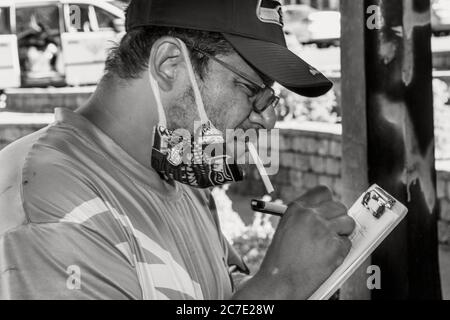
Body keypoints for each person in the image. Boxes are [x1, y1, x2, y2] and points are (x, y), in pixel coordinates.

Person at [0, 0, 355, 300]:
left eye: (271, 98)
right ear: (170, 64)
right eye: (252, 91)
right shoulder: (50, 205)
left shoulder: (177, 173)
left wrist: (307, 274)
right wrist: (281, 284)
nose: (269, 119)